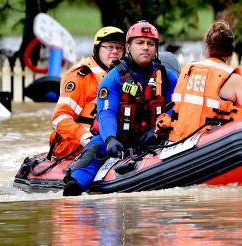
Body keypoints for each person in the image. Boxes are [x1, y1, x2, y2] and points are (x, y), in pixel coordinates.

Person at [63, 20, 178, 196]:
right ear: (129, 47)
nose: (145, 47)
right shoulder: (114, 78)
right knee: (96, 147)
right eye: (140, 42)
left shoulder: (167, 77)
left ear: (156, 48)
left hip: (154, 137)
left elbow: (177, 107)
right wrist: (110, 139)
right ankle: (75, 184)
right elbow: (107, 112)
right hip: (119, 138)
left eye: (150, 44)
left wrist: (157, 130)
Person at [161, 21, 242, 142]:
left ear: (207, 47)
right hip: (211, 147)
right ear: (230, 51)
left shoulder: (188, 70)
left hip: (176, 142)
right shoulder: (234, 80)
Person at [48, 27, 125, 159]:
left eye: (119, 47)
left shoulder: (125, 76)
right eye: (109, 47)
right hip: (77, 148)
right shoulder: (80, 76)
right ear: (97, 49)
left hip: (112, 142)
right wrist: (86, 139)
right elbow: (60, 118)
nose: (115, 51)